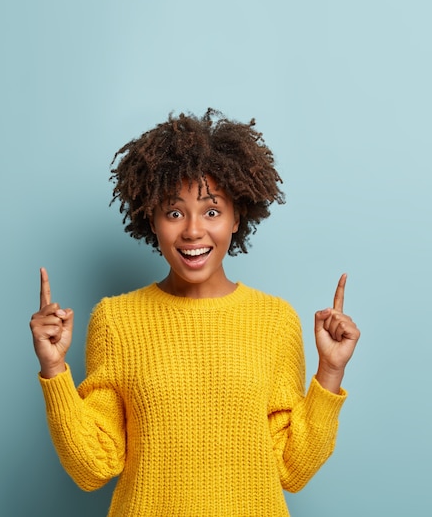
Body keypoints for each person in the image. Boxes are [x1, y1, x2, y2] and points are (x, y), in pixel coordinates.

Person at [30, 108, 360, 517]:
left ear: (237, 217)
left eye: (211, 210)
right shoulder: (116, 320)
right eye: (173, 212)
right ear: (150, 219)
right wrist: (54, 371)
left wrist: (330, 372)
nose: (192, 230)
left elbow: (290, 468)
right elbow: (94, 466)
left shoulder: (275, 321)